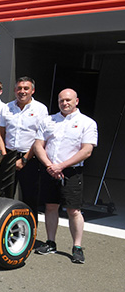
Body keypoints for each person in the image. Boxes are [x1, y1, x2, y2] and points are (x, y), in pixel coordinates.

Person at [32, 89, 98, 264]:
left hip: (71, 172)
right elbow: (38, 145)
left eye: (68, 100)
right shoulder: (49, 120)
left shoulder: (87, 123)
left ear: (76, 101)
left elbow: (87, 150)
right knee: (51, 207)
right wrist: (49, 165)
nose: (64, 103)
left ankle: (77, 248)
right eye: (61, 100)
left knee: (73, 210)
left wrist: (61, 165)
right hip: (49, 169)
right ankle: (51, 243)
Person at [0, 76, 49, 219]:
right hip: (9, 155)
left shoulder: (40, 109)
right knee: (5, 196)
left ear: (33, 90)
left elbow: (40, 138)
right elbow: (0, 134)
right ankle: (4, 229)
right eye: (19, 88)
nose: (22, 91)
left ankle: (30, 231)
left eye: (26, 88)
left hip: (30, 158)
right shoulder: (7, 108)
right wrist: (6, 156)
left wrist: (24, 160)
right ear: (14, 90)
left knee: (30, 197)